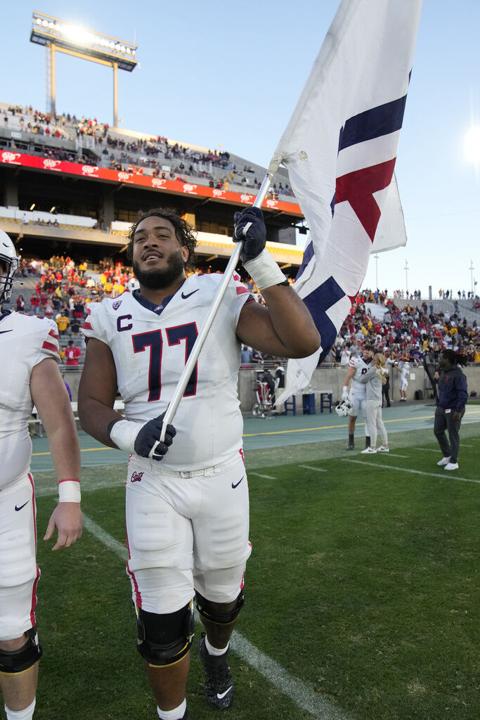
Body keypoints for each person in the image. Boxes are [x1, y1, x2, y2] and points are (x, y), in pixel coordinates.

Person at [78, 206, 320, 720]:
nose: (149, 242)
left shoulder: (216, 293)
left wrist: (260, 263)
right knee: (161, 625)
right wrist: (127, 433)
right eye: (140, 236)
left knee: (222, 597)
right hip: (154, 481)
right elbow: (92, 405)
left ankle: (217, 655)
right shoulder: (109, 315)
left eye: (162, 235)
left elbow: (303, 341)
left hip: (220, 476)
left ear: (184, 252)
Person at [0, 231, 83, 720]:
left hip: (5, 499)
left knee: (10, 629)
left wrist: (69, 496)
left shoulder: (28, 334)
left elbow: (58, 421)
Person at [434, 350, 468, 471]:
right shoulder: (443, 371)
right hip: (441, 407)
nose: (439, 359)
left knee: (453, 435)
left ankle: (454, 461)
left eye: (441, 357)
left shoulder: (458, 375)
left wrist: (458, 411)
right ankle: (447, 455)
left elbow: (463, 394)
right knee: (438, 431)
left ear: (447, 359)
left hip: (453, 409)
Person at [342, 344, 374, 450]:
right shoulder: (356, 360)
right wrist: (344, 390)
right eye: (365, 350)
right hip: (355, 392)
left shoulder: (374, 362)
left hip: (367, 393)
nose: (366, 352)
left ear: (372, 352)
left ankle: (368, 443)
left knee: (368, 419)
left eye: (368, 351)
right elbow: (349, 375)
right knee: (352, 418)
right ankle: (351, 442)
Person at [359, 353, 389, 454]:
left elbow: (362, 379)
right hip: (378, 399)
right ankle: (385, 445)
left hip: (372, 400)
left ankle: (372, 447)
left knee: (371, 424)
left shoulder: (373, 369)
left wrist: (368, 367)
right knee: (380, 423)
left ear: (376, 360)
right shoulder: (381, 369)